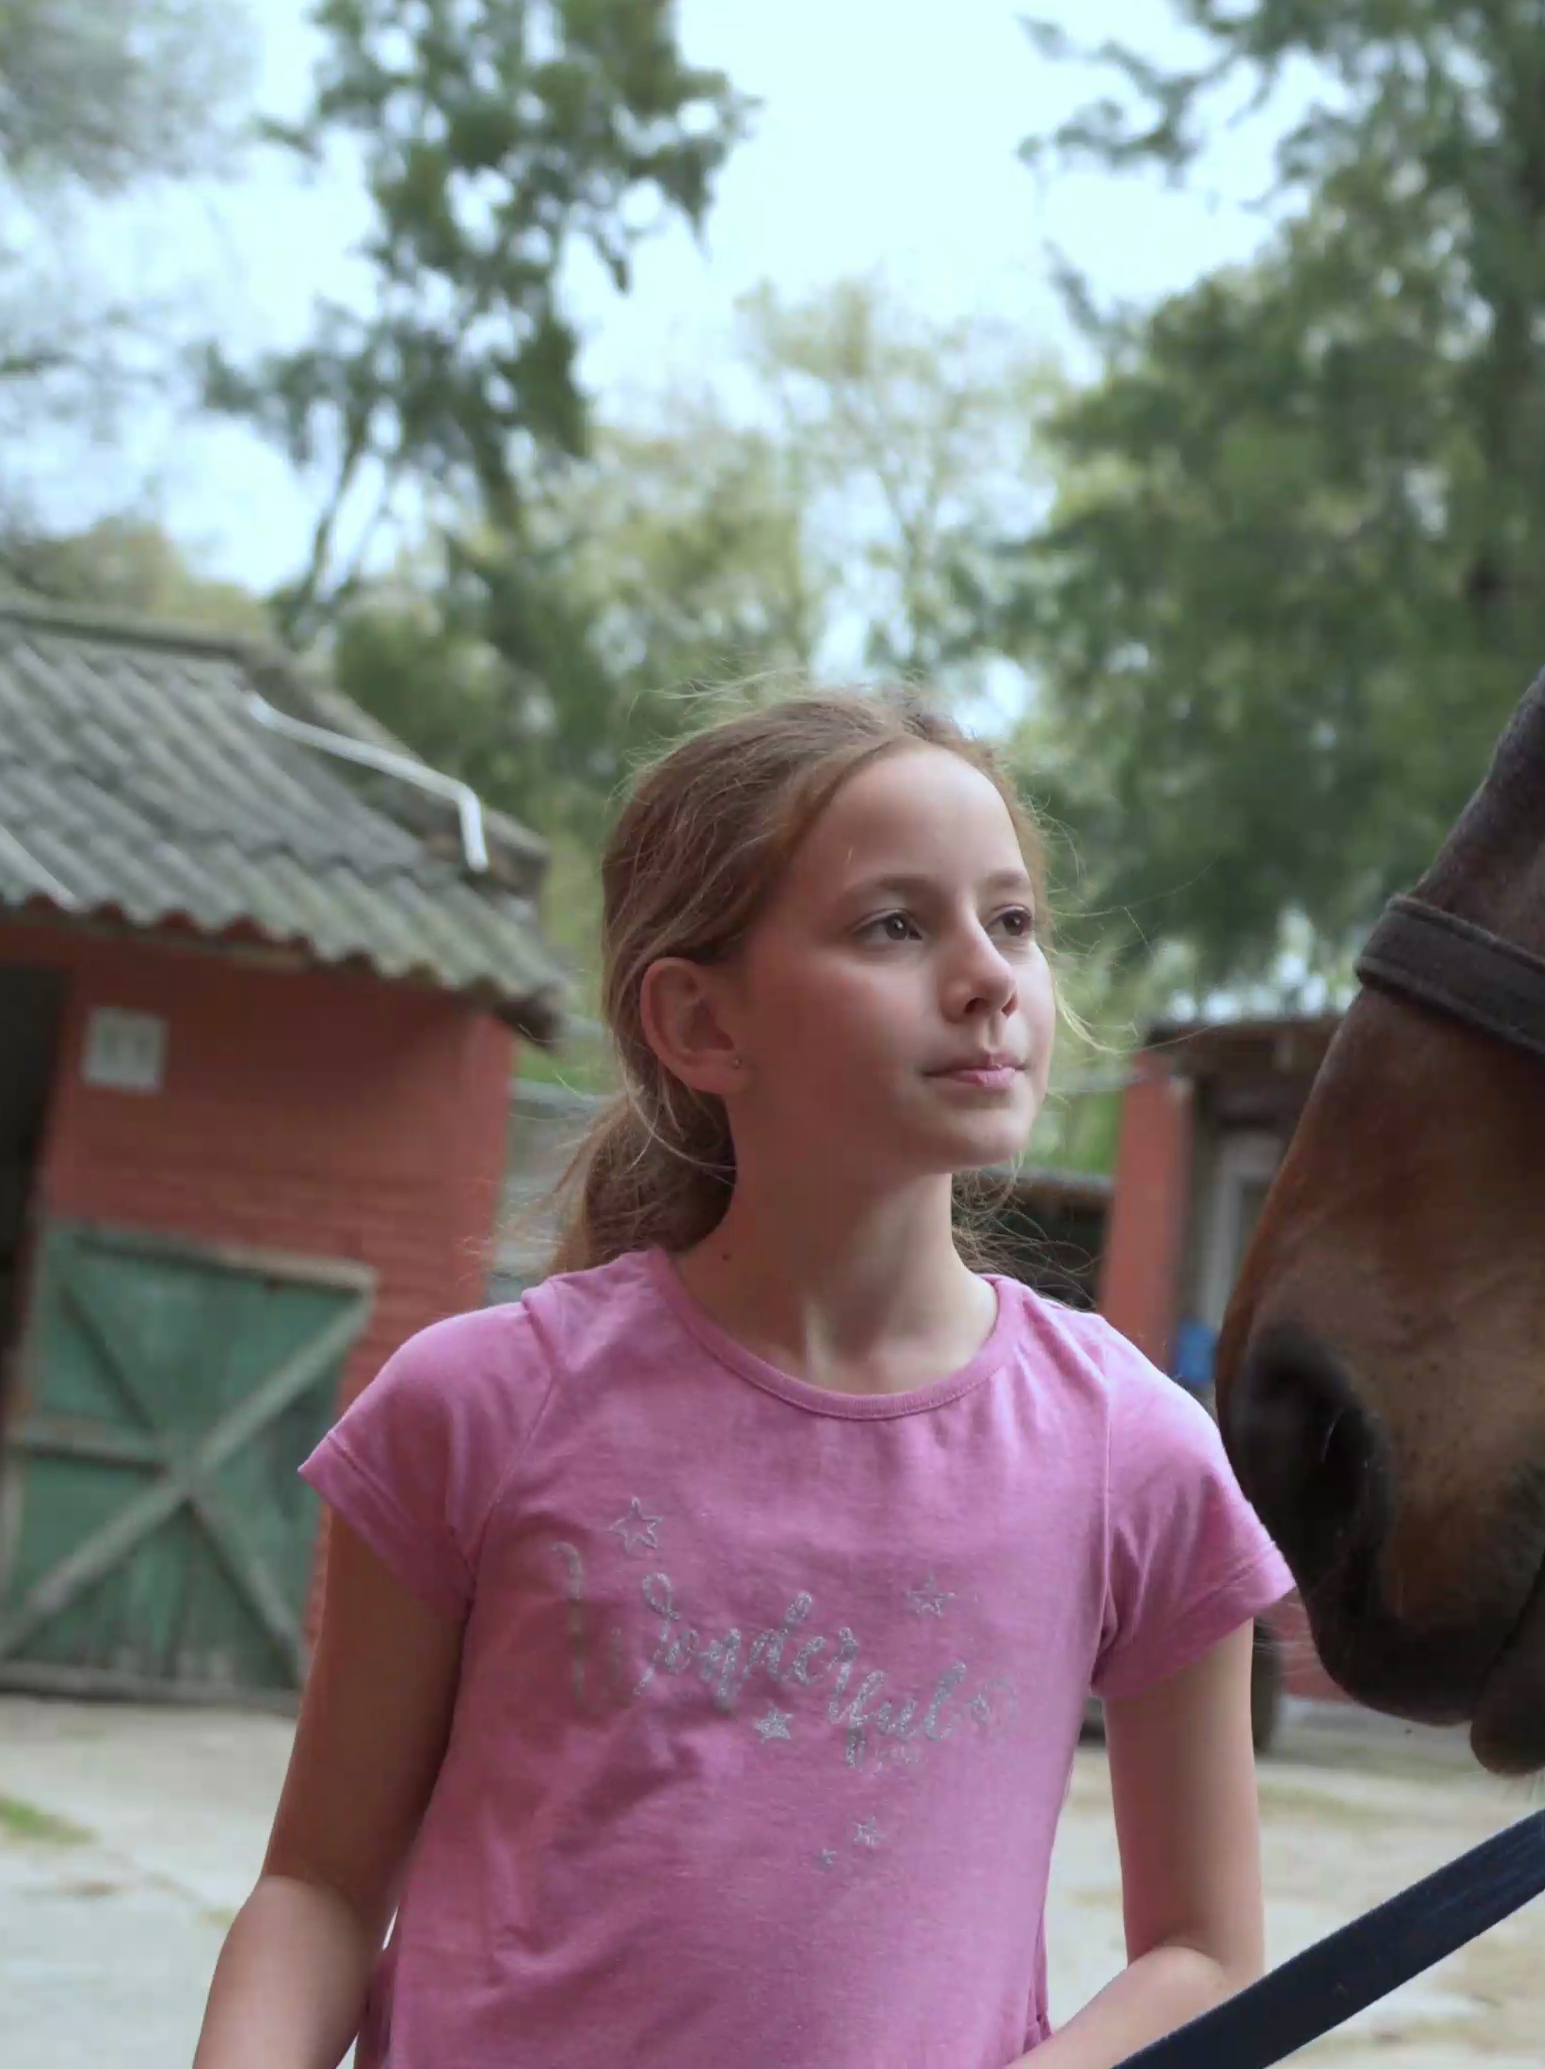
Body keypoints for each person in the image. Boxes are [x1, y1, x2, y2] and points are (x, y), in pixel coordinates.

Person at [190, 688, 1291, 2069]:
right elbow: (322, 1887)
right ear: (702, 1023)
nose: (988, 974)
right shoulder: (477, 1405)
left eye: (1012, 921)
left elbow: (1205, 1952)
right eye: (896, 924)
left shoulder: (1132, 1452)